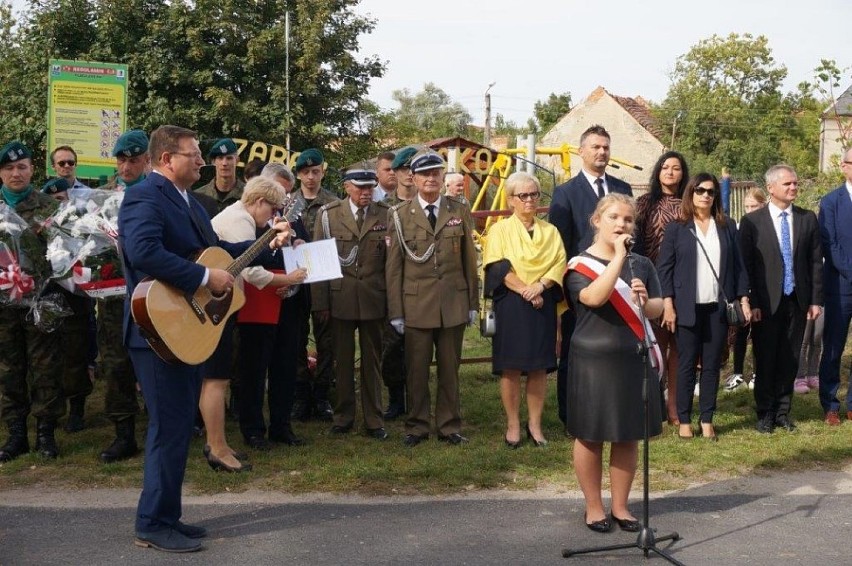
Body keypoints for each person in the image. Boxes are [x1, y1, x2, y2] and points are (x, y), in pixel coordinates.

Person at [118, 125, 291, 553]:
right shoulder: (143, 195)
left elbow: (222, 258)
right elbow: (142, 252)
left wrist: (271, 245)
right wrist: (200, 276)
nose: (202, 161)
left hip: (185, 331)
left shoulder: (190, 202)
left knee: (177, 426)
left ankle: (168, 516)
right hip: (158, 328)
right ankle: (152, 523)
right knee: (168, 427)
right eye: (193, 154)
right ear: (166, 160)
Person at [564, 193, 663, 533]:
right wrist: (618, 259)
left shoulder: (643, 264)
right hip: (593, 359)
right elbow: (593, 297)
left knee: (627, 435)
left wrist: (646, 301)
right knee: (590, 435)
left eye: (628, 219)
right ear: (597, 221)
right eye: (614, 218)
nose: (622, 225)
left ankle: (621, 506)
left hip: (632, 356)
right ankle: (594, 507)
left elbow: (658, 309)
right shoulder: (579, 264)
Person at [386, 149, 478, 447]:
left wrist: (473, 304)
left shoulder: (458, 209)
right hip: (416, 304)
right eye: (425, 174)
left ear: (442, 176)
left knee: (450, 369)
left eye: (436, 173)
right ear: (412, 177)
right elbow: (394, 268)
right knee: (416, 369)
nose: (431, 178)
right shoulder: (399, 215)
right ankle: (417, 425)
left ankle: (449, 425)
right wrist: (396, 311)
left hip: (453, 302)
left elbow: (468, 260)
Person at [209, 176, 303, 459]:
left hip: (241, 302)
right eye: (272, 209)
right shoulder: (239, 221)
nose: (273, 216)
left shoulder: (246, 218)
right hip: (235, 303)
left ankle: (270, 426)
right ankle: (252, 430)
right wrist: (287, 277)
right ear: (260, 202)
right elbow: (249, 268)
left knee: (260, 365)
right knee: (249, 369)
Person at [548, 125, 633, 431]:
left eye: (606, 147)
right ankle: (570, 413)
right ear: (581, 151)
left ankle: (615, 407)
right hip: (582, 285)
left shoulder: (622, 189)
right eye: (595, 147)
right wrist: (564, 293)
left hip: (618, 281)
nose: (601, 152)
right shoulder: (565, 192)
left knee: (617, 347)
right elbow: (560, 244)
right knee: (574, 351)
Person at [657, 173, 750, 440]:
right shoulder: (677, 227)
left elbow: (739, 267)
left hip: (717, 308)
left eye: (710, 191)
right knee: (686, 364)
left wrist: (743, 299)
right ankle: (684, 419)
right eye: (700, 190)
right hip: (686, 307)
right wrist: (668, 304)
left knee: (712, 365)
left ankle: (707, 418)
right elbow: (665, 269)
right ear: (691, 194)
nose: (706, 195)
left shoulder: (727, 226)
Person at [483, 172, 566, 448]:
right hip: (512, 304)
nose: (530, 200)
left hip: (542, 303)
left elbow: (558, 263)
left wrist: (540, 287)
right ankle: (513, 424)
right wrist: (526, 290)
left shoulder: (550, 231)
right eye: (523, 195)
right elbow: (497, 266)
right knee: (511, 367)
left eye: (534, 194)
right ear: (511, 200)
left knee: (539, 368)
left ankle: (535, 424)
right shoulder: (499, 230)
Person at [739, 164, 823, 434]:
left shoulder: (807, 218)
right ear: (771, 188)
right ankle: (765, 412)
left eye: (795, 183)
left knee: (789, 358)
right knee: (766, 357)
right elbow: (746, 265)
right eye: (788, 184)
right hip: (765, 302)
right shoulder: (753, 222)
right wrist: (750, 301)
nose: (794, 187)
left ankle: (783, 411)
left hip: (797, 300)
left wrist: (815, 300)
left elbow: (814, 263)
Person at [313, 166, 390, 440]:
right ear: (346, 187)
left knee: (373, 361)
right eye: (360, 187)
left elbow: (392, 264)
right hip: (340, 298)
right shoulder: (328, 215)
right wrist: (320, 303)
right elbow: (318, 261)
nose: (366, 192)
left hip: (374, 298)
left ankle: (374, 419)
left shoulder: (386, 214)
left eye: (370, 187)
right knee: (341, 361)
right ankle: (343, 417)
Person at [0, 141, 64, 462]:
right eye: (9, 168)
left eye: (22, 167)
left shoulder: (49, 207)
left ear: (31, 170)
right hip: (3, 306)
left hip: (42, 301)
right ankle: (16, 434)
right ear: (1, 172)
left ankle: (46, 432)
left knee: (45, 367)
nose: (16, 173)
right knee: (9, 367)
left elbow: (65, 253)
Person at [96, 129, 150, 463]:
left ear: (146, 160)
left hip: (150, 294)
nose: (126, 167)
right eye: (121, 160)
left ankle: (161, 427)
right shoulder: (101, 198)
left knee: (156, 360)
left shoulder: (155, 194)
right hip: (113, 298)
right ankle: (123, 434)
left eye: (133, 160)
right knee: (115, 364)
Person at [634, 151, 689, 425]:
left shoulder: (691, 204)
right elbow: (637, 245)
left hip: (684, 284)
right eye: (665, 167)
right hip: (652, 283)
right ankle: (651, 404)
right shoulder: (645, 203)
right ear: (657, 172)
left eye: (676, 168)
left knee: (678, 349)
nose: (670, 172)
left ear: (683, 173)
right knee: (654, 347)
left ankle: (674, 408)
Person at [291, 148, 338, 422]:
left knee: (326, 339)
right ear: (298, 174)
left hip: (322, 279)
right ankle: (300, 395)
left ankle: (322, 395)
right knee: (296, 339)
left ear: (322, 172)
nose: (311, 177)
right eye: (306, 172)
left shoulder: (332, 203)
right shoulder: (288, 203)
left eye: (316, 172)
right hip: (295, 280)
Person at [380, 147, 418, 420]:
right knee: (392, 347)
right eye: (404, 169)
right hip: (390, 286)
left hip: (421, 287)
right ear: (395, 172)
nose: (409, 175)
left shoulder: (430, 205)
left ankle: (418, 397)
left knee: (419, 346)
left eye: (413, 169)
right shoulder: (383, 209)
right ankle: (395, 397)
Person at [817, 147, 852, 425]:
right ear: (844, 167)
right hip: (840, 285)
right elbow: (831, 245)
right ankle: (831, 404)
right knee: (833, 347)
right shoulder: (830, 202)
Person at [724, 187, 767, 393]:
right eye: (747, 206)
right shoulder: (739, 227)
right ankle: (738, 372)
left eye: (754, 206)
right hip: (742, 286)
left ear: (763, 204)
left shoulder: (767, 227)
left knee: (759, 331)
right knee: (740, 330)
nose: (750, 210)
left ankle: (758, 373)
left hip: (762, 286)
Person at [194, 138, 244, 215]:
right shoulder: (198, 197)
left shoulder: (248, 195)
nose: (224, 163)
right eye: (220, 158)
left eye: (229, 158)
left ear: (237, 161)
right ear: (213, 161)